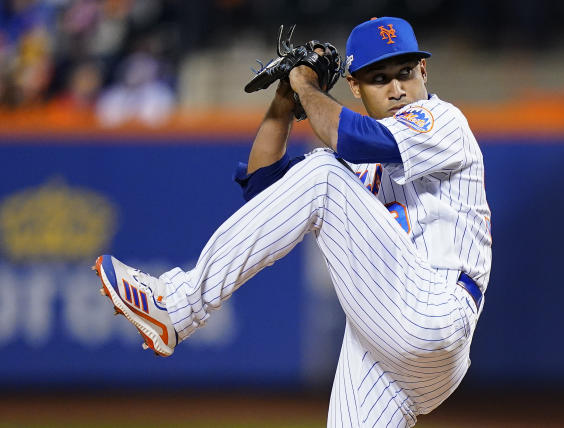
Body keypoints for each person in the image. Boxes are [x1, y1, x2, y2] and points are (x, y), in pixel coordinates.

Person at [94, 16, 491, 427]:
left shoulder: (443, 122)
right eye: (379, 78)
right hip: (391, 342)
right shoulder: (357, 171)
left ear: (423, 71)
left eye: (405, 72)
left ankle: (176, 306)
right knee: (317, 176)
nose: (397, 89)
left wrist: (306, 84)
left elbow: (355, 140)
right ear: (354, 86)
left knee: (321, 172)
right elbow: (265, 193)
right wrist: (286, 97)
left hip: (438, 313)